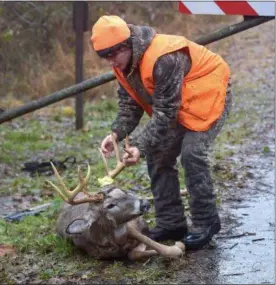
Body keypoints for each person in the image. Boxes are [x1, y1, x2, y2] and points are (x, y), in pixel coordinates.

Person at [91, 15, 232, 250]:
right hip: (179, 102)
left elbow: (166, 112)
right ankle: (171, 222)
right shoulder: (124, 65)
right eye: (105, 57)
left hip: (208, 94)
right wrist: (116, 134)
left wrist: (140, 145)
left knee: (192, 154)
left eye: (113, 55)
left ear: (126, 45)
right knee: (158, 154)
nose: (110, 62)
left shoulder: (163, 58)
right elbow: (130, 104)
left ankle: (206, 223)